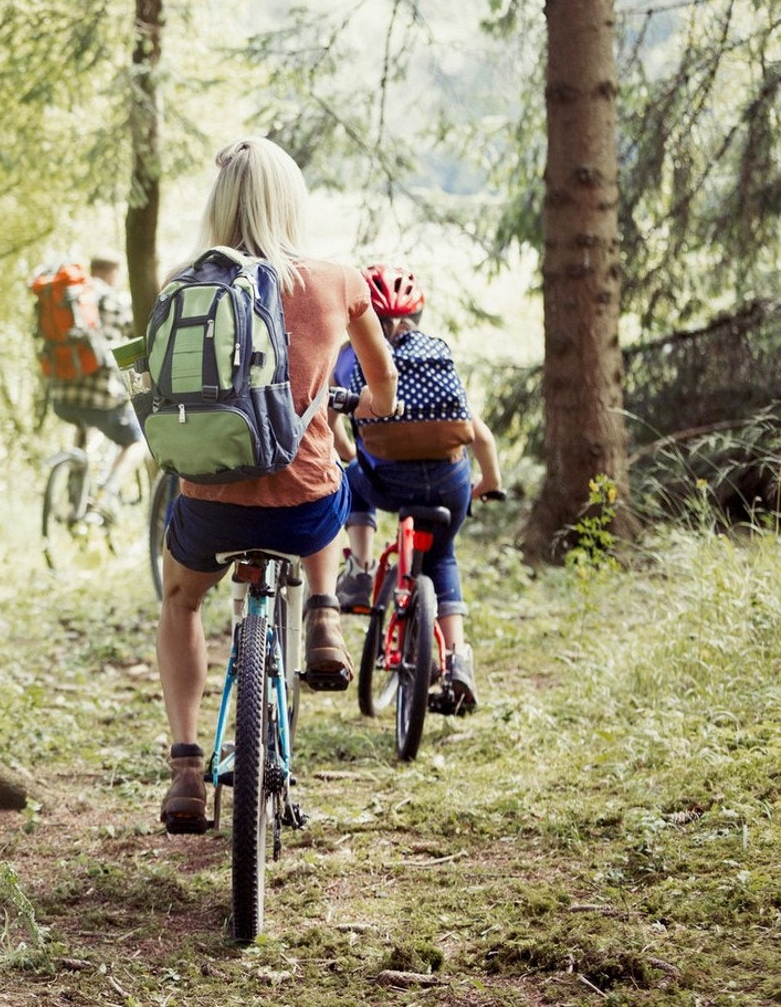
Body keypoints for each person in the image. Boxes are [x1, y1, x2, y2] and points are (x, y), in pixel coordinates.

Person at [157, 137, 398, 834]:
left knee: (180, 600)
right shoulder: (338, 280)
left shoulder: (182, 283)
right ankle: (323, 612)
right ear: (292, 201)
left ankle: (184, 766)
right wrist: (359, 407)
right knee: (336, 482)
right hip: (303, 509)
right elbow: (381, 385)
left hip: (210, 507)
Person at [330, 263, 502, 710]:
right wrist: (487, 483)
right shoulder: (437, 357)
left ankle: (360, 569)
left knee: (351, 476)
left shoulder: (350, 358)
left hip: (387, 482)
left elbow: (332, 425)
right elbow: (479, 436)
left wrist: (352, 455)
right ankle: (457, 661)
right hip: (449, 483)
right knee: (442, 557)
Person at [49, 249, 149, 522]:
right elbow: (134, 340)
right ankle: (103, 500)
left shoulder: (69, 298)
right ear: (113, 273)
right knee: (136, 442)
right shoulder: (115, 300)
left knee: (86, 426)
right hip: (102, 397)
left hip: (61, 396)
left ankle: (74, 498)